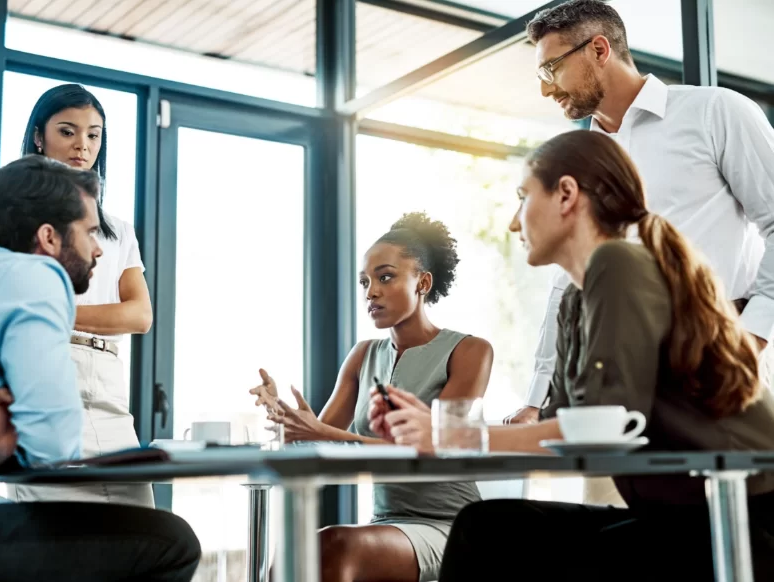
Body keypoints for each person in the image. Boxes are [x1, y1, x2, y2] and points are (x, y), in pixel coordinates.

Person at [369, 131, 774, 581]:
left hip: (747, 519)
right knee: (488, 528)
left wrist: (450, 436)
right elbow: (566, 431)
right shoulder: (575, 301)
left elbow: (601, 428)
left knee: (490, 535)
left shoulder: (618, 264)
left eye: (523, 197)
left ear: (566, 194)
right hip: (682, 520)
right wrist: (430, 425)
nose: (513, 223)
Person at [0, 155, 201, 581]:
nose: (98, 248)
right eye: (90, 232)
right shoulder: (36, 277)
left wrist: (0, 436)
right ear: (49, 238)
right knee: (173, 542)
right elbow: (54, 442)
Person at [505, 0, 774, 428]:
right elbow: (567, 283)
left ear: (598, 49)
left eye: (550, 68)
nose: (545, 89)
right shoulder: (580, 162)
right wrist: (540, 398)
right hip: (620, 392)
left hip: (719, 382)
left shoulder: (715, 112)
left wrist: (751, 336)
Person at [251, 212, 494, 582]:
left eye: (385, 277)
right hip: (387, 523)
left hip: (451, 526)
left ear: (423, 283)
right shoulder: (363, 355)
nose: (371, 292)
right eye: (365, 281)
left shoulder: (470, 352)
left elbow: (439, 445)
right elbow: (320, 442)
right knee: (294, 557)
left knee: (330, 547)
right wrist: (284, 418)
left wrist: (323, 433)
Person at [6, 84, 154, 508]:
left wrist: (57, 311)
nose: (82, 145)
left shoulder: (117, 229)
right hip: (47, 378)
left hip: (108, 388)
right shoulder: (14, 217)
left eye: (93, 135)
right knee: (55, 539)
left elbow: (140, 315)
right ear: (39, 135)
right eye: (68, 131)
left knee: (140, 527)